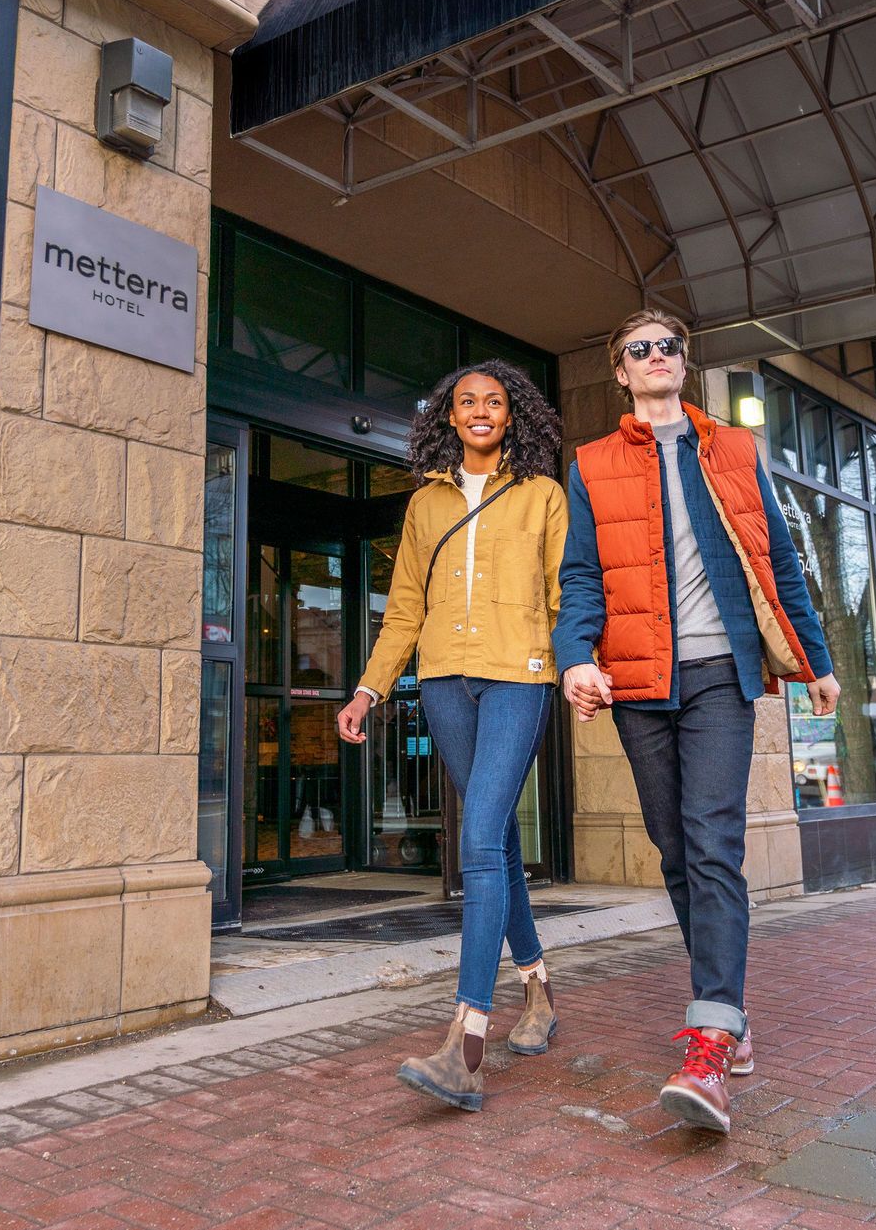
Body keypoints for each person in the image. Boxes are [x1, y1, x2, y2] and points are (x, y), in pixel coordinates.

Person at [554, 310, 839, 1136]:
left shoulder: (733, 451)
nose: (654, 358)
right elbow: (580, 574)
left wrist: (815, 662)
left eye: (666, 346)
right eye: (637, 349)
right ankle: (733, 1009)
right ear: (619, 370)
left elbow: (779, 559)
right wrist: (576, 654)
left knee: (713, 841)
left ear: (684, 362)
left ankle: (710, 1036)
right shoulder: (593, 463)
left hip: (722, 673)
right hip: (639, 682)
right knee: (675, 848)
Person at [337, 361, 568, 1113]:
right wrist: (370, 687)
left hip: (518, 675)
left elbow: (565, 594)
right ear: (447, 417)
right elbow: (405, 606)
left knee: (478, 840)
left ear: (513, 415)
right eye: (465, 402)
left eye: (492, 401)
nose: (478, 411)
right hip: (443, 679)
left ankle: (465, 1046)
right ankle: (538, 993)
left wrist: (578, 668)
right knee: (495, 840)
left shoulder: (542, 495)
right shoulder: (425, 506)